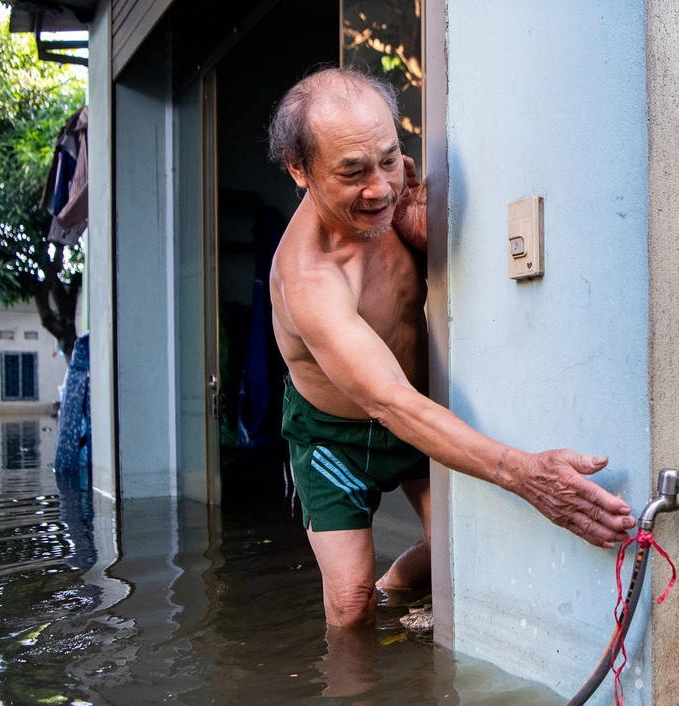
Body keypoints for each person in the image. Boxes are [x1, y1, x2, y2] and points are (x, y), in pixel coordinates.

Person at [267, 67, 635, 628]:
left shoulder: (393, 194)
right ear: (300, 170)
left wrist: (426, 231)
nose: (381, 187)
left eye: (388, 159)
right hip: (334, 435)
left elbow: (406, 197)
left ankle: (398, 586)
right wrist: (526, 476)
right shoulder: (308, 279)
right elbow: (387, 401)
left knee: (459, 559)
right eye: (353, 172)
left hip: (415, 407)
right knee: (350, 605)